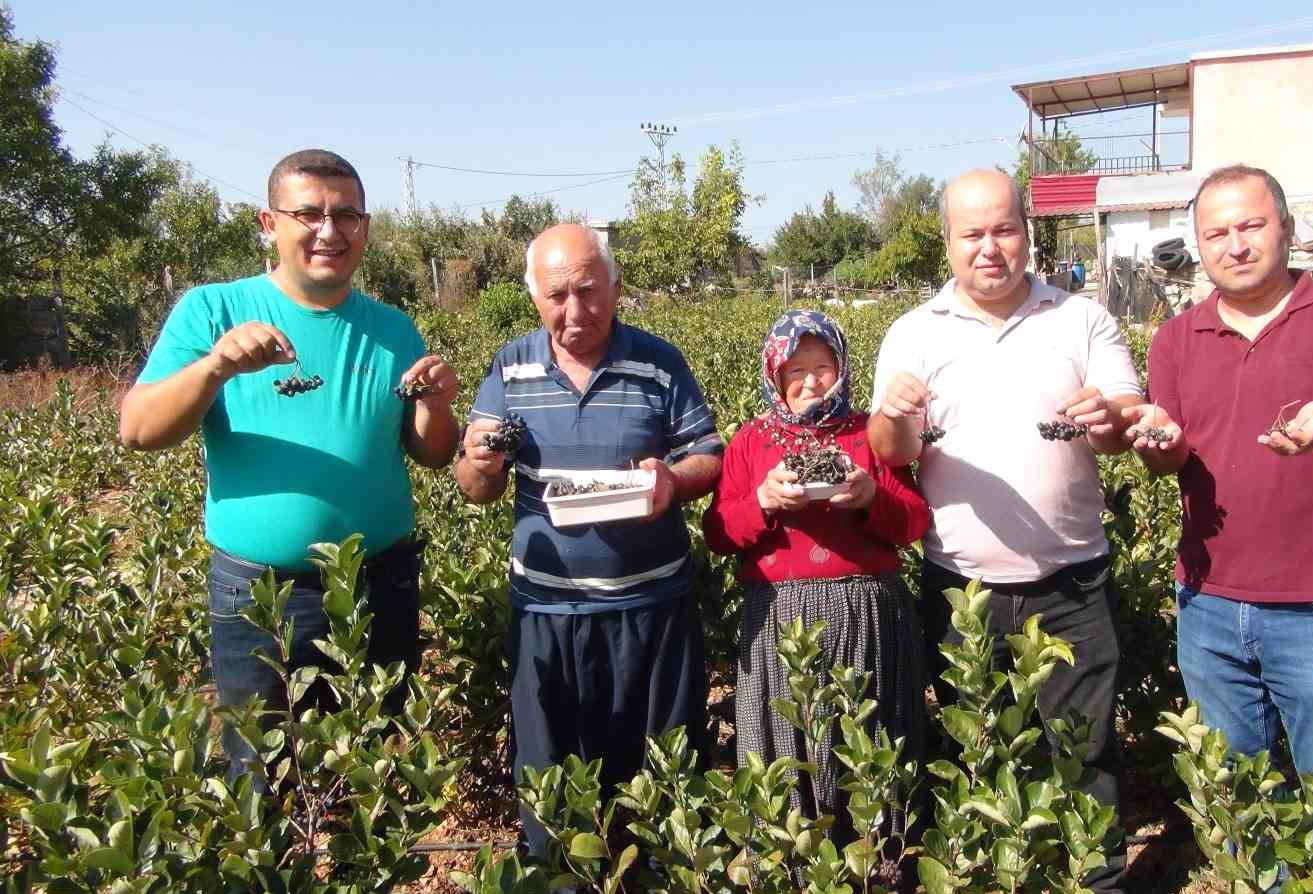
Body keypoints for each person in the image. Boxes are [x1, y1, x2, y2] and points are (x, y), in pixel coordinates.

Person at [118, 148, 461, 783]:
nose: (330, 231)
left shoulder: (392, 328)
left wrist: (438, 408)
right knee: (267, 775)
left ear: (365, 226)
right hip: (262, 596)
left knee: (376, 775)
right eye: (309, 214)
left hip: (378, 587)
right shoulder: (213, 312)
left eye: (347, 216)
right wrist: (216, 366)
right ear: (268, 223)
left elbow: (431, 453)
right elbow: (138, 430)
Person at [868, 168, 1141, 894]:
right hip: (960, 589)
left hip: (1072, 583)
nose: (989, 248)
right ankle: (985, 880)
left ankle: (1094, 884)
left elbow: (1121, 424)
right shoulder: (914, 332)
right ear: (948, 242)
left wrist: (1112, 421)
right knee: (975, 749)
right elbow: (892, 451)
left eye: (1003, 230)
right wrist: (894, 414)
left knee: (1083, 752)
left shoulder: (1082, 320)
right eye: (971, 234)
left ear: (1027, 231)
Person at [1124, 164, 1313, 805]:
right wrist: (1161, 446)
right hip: (1208, 605)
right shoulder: (1175, 339)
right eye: (1216, 233)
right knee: (1238, 797)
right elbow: (1167, 461)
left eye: (1251, 225)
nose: (1235, 245)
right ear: (1199, 246)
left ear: (1286, 229)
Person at [454, 223, 723, 857]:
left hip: (652, 609)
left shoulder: (659, 362)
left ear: (615, 286)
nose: (574, 311)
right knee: (553, 789)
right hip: (547, 612)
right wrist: (480, 461)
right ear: (533, 296)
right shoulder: (510, 367)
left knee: (665, 788)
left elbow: (707, 455)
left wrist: (669, 480)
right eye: (556, 295)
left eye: (588, 290)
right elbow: (475, 483)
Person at [702, 309, 929, 845]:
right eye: (795, 369)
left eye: (823, 367)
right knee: (791, 742)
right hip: (778, 618)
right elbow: (717, 532)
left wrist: (871, 498)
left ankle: (880, 856)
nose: (810, 381)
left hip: (866, 614)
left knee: (871, 735)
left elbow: (914, 521)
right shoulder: (751, 443)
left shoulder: (869, 436)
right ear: (775, 375)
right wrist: (762, 501)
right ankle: (796, 858)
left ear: (842, 368)